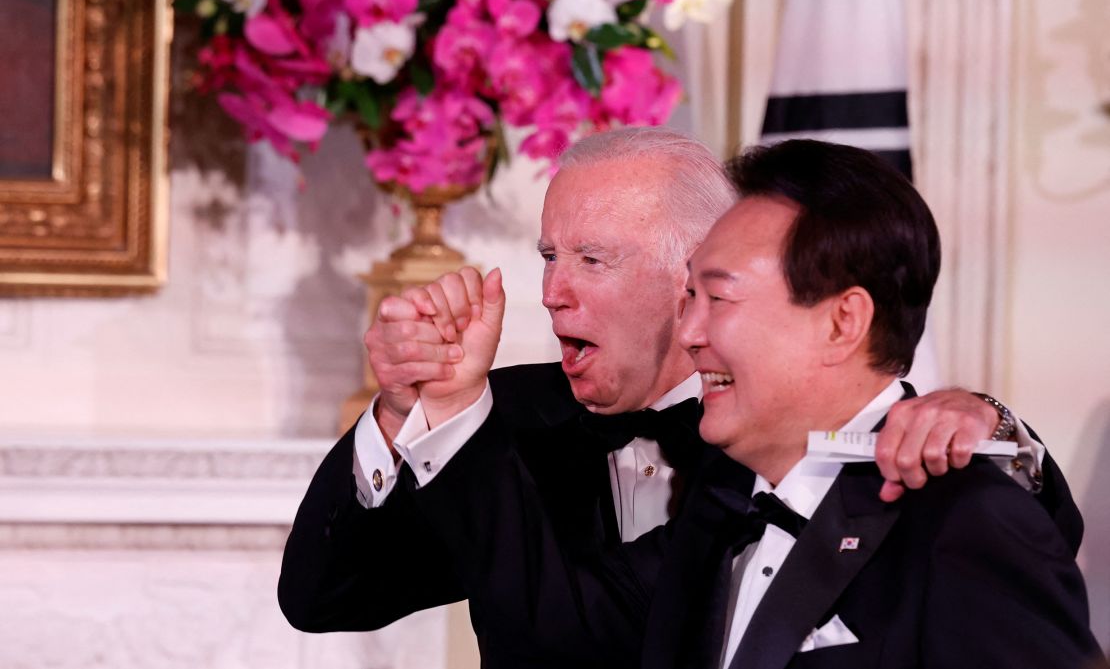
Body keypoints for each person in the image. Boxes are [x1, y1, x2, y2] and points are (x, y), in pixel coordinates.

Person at [278, 129, 1080, 667]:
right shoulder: (502, 423)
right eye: (549, 254)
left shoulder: (810, 466)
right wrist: (404, 413)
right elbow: (322, 595)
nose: (553, 292)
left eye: (593, 259)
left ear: (689, 271)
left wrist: (996, 428)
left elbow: (992, 543)